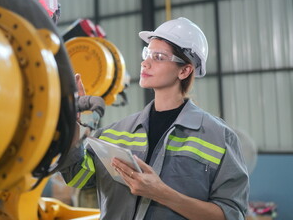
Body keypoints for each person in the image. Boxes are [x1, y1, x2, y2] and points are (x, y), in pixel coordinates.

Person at [59, 17, 249, 220]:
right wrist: (73, 120)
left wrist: (162, 194)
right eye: (146, 53)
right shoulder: (114, 133)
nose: (145, 62)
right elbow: (77, 177)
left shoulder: (219, 138)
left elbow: (232, 214)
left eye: (158, 57)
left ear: (184, 70)